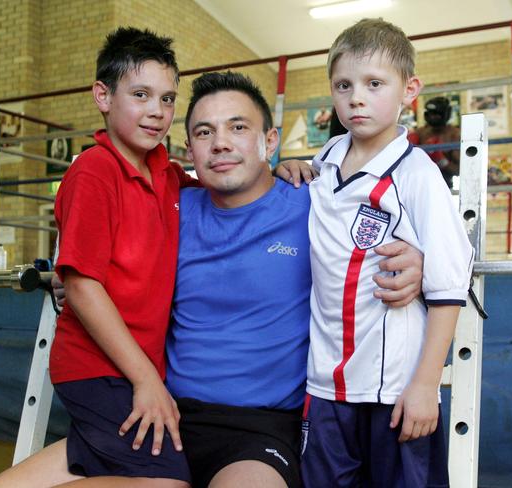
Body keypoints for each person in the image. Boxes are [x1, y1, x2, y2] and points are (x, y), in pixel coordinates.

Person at [166, 71, 424, 488]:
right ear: (189, 149)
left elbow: (400, 234)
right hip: (164, 415)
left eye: (237, 127)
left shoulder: (316, 203)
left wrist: (418, 262)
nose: (220, 143)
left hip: (259, 431)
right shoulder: (172, 210)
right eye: (203, 132)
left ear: (269, 141)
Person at [0, 26, 197, 488]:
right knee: (166, 481)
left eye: (167, 99)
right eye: (141, 95)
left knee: (92, 456)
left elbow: (232, 190)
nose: (157, 112)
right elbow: (81, 284)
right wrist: (146, 380)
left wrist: (282, 171)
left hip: (130, 365)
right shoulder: (95, 171)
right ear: (103, 95)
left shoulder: (167, 173)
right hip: (100, 365)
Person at [301, 19, 474, 487]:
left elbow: (447, 286)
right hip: (326, 385)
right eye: (344, 85)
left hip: (394, 390)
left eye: (374, 84)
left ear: (409, 90)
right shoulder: (329, 156)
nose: (356, 97)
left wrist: (424, 385)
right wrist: (287, 167)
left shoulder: (417, 174)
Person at [409, 96, 461, 188]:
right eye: (431, 114)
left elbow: (460, 171)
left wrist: (441, 160)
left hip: (444, 186)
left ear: (445, 114)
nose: (433, 117)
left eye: (437, 114)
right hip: (419, 185)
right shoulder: (420, 133)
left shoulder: (454, 134)